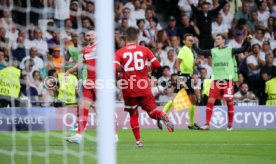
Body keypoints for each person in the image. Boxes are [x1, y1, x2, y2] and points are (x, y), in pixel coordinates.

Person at [115, 27, 174, 148]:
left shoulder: (119, 52)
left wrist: (119, 75)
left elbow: (114, 68)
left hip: (129, 88)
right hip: (144, 86)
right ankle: (162, 115)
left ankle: (138, 141)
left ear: (126, 37)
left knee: (133, 114)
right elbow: (157, 65)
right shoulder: (144, 49)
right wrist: (148, 67)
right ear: (137, 37)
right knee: (152, 112)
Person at [64, 28, 118, 144]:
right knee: (83, 107)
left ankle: (114, 135)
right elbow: (81, 64)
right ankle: (79, 135)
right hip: (89, 81)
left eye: (91, 35)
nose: (89, 37)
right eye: (87, 36)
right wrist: (69, 71)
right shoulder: (87, 49)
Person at [192, 33, 252, 130]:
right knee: (210, 100)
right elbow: (200, 51)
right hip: (216, 80)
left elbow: (243, 49)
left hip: (227, 80)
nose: (216, 40)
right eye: (216, 39)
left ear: (224, 40)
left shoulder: (230, 50)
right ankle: (207, 123)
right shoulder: (213, 51)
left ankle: (230, 125)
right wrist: (194, 44)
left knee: (229, 102)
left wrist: (248, 41)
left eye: (218, 39)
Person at [162, 33, 200, 130]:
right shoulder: (183, 50)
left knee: (190, 100)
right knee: (188, 99)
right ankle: (162, 114)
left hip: (188, 76)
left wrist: (196, 63)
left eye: (192, 40)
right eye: (189, 40)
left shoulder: (190, 51)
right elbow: (177, 63)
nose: (191, 41)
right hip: (183, 76)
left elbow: (189, 66)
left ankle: (162, 114)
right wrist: (180, 77)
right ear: (184, 41)